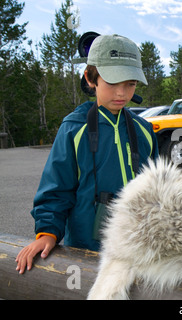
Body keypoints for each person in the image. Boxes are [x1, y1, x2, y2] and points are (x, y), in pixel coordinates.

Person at [16, 34, 158, 274]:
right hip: (87, 254)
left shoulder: (144, 130)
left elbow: (158, 189)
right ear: (91, 78)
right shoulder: (73, 129)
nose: (122, 93)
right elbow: (56, 189)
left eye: (130, 83)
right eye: (113, 82)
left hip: (139, 253)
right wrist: (47, 233)